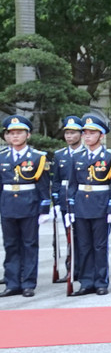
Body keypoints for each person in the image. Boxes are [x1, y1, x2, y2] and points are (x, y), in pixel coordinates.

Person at [66, 113, 111, 296]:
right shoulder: (77, 156)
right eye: (85, 133)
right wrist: (70, 208)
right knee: (83, 246)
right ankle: (86, 282)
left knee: (100, 246)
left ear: (101, 136)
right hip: (81, 206)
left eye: (92, 133)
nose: (87, 136)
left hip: (101, 205)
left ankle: (101, 281)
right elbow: (72, 184)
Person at [1, 115, 51, 297]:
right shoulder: (2, 157)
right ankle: (12, 282)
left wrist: (45, 208)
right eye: (11, 133)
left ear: (28, 135)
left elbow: (43, 186)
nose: (15, 136)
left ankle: (28, 283)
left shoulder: (37, 157)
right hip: (8, 205)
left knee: (29, 244)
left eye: (19, 133)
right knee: (11, 245)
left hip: (29, 204)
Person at [49, 115, 84, 284]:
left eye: (73, 133)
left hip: (83, 199)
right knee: (70, 236)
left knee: (84, 238)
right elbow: (55, 181)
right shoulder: (59, 155)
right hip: (65, 199)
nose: (69, 136)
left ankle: (84, 269)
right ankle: (71, 269)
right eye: (67, 133)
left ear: (81, 134)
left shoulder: (86, 153)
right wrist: (55, 202)